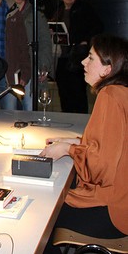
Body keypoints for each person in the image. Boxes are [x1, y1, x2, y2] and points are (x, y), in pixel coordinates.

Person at [41, 34, 128, 253]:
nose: (83, 62)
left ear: (107, 69)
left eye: (90, 58)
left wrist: (67, 149)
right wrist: (74, 142)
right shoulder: (122, 93)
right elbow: (114, 145)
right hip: (121, 203)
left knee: (42, 216)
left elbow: (102, 167)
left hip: (111, 211)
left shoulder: (109, 95)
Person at [52, 0, 102, 113]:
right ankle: (67, 119)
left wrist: (85, 41)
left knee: (77, 93)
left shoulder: (84, 9)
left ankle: (80, 122)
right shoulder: (59, 10)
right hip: (61, 57)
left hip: (76, 57)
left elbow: (98, 27)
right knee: (63, 92)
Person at [3, 0, 53, 110]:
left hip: (30, 67)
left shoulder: (37, 15)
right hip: (10, 68)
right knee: (10, 111)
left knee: (30, 109)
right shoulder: (5, 14)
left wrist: (43, 66)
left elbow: (45, 42)